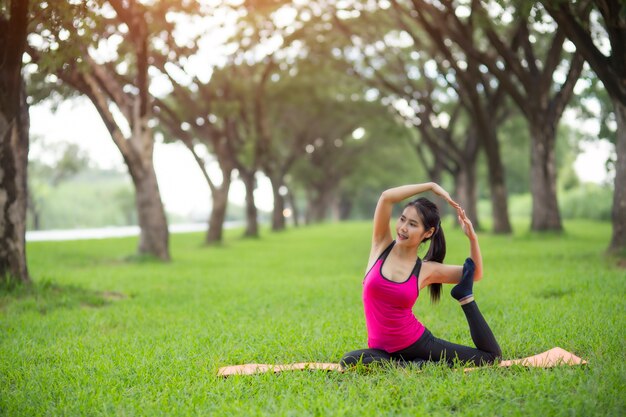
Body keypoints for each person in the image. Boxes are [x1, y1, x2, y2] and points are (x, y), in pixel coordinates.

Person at [340, 182, 501, 369]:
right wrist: (430, 186)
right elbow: (386, 197)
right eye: (402, 219)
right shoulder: (380, 246)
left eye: (412, 224)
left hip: (416, 343)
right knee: (349, 360)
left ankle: (465, 298)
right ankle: (413, 365)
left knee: (491, 357)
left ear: (428, 233)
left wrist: (473, 238)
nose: (403, 228)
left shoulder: (426, 270)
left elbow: (475, 274)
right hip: (380, 351)